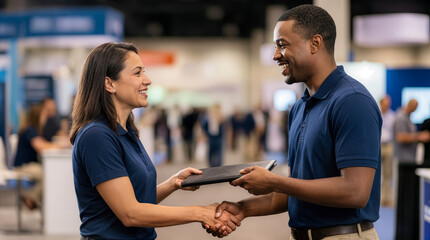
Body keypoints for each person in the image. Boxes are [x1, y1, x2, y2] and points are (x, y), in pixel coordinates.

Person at [206, 5, 382, 239]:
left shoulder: (351, 101)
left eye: (282, 44)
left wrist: (275, 181)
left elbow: (355, 192)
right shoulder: (300, 107)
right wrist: (244, 208)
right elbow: (299, 189)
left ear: (315, 43)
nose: (275, 55)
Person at [69, 42, 236, 240]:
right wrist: (200, 213)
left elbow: (137, 200)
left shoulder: (126, 132)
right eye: (137, 73)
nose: (147, 80)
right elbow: (130, 213)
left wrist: (174, 182)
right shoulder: (96, 136)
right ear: (109, 84)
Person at [14, 103, 66, 209]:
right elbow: (40, 146)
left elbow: (43, 143)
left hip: (30, 165)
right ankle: (32, 199)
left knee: (48, 173)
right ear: (37, 117)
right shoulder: (30, 130)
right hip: (23, 166)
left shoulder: (33, 130)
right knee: (47, 174)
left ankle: (34, 200)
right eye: (43, 116)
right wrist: (59, 146)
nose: (45, 119)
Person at [392, 98, 430, 239]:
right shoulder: (401, 118)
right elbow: (401, 137)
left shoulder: (406, 117)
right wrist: (419, 136)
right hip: (405, 162)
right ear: (410, 105)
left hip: (409, 162)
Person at [379, 95, 396, 207]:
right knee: (375, 173)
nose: (388, 104)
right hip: (378, 146)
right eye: (386, 102)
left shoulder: (392, 116)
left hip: (389, 146)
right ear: (381, 103)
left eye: (388, 102)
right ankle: (378, 199)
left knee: (388, 173)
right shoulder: (376, 112)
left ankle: (387, 198)